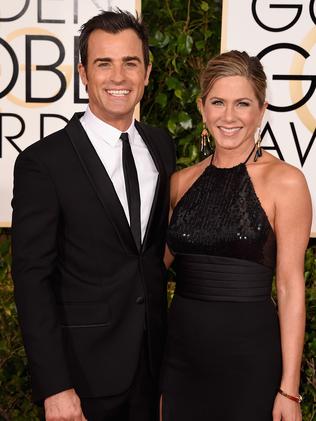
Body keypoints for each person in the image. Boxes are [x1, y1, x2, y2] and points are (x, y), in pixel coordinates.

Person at [11, 9, 175, 421]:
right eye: (104, 63)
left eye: (130, 62)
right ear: (84, 72)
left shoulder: (160, 145)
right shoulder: (43, 163)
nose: (118, 77)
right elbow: (32, 280)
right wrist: (54, 387)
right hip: (82, 377)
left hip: (154, 369)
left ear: (147, 72)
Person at [160, 50, 311, 421]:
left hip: (250, 363)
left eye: (242, 103)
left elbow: (291, 287)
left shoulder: (286, 182)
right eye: (218, 102)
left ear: (261, 110)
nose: (229, 117)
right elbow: (149, 270)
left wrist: (289, 390)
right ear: (201, 107)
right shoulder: (179, 183)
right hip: (179, 360)